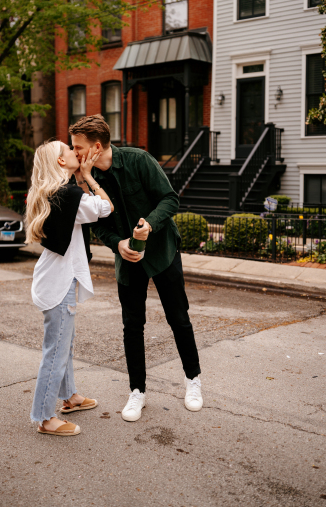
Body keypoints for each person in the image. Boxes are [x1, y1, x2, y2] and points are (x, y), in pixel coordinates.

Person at [70, 115, 203, 423]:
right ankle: (137, 391)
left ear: (96, 147)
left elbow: (170, 199)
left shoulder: (138, 159)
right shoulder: (85, 178)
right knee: (132, 325)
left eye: (78, 147)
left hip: (162, 250)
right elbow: (98, 225)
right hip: (127, 259)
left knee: (178, 318)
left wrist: (149, 224)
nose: (73, 152)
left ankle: (193, 380)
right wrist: (117, 244)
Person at [25, 140, 114, 436]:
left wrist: (80, 179)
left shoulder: (53, 192)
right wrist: (88, 176)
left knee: (64, 344)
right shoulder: (69, 195)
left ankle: (71, 397)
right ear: (61, 162)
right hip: (59, 283)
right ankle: (44, 417)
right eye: (69, 150)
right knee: (56, 350)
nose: (75, 152)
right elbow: (106, 207)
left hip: (54, 277)